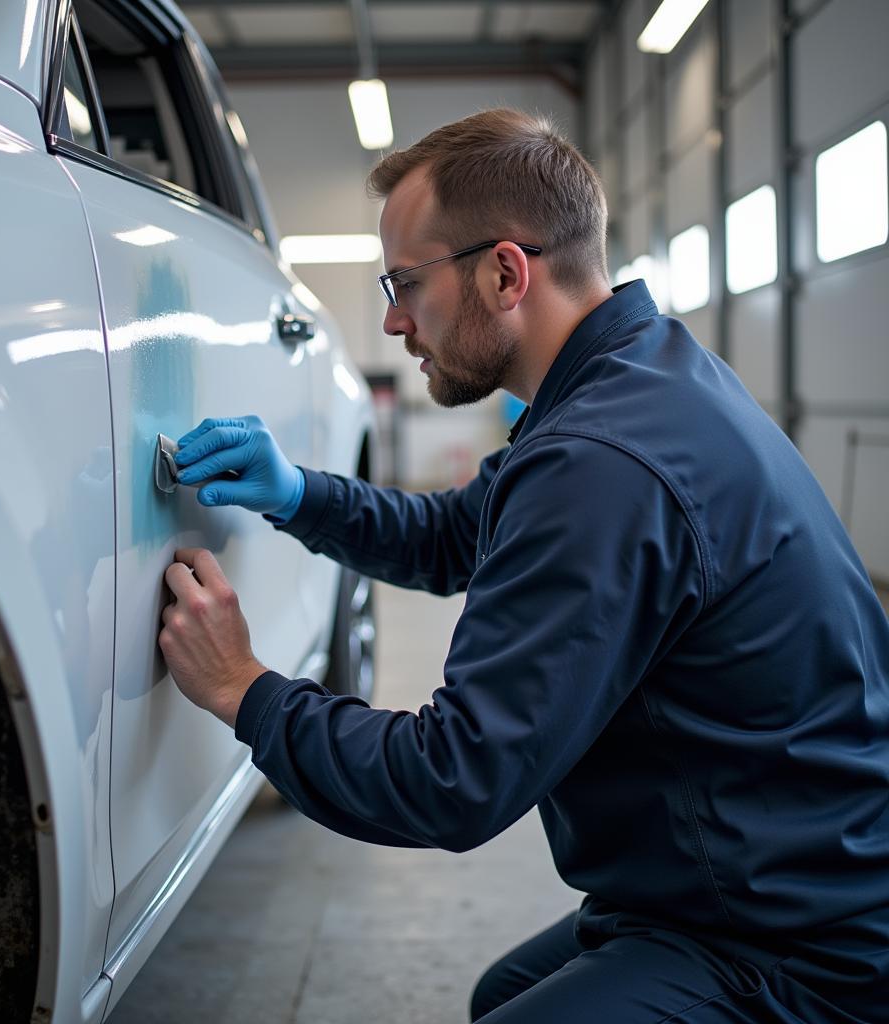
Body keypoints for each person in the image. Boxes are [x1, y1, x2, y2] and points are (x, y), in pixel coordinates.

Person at [157, 109, 889, 1023]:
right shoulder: (633, 380)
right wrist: (298, 494)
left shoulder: (602, 461)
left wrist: (242, 689)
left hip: (790, 944)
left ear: (505, 272)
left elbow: (451, 781)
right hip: (742, 879)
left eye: (404, 283)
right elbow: (456, 536)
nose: (391, 320)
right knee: (500, 995)